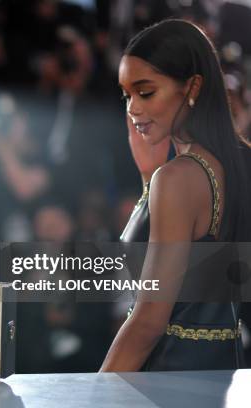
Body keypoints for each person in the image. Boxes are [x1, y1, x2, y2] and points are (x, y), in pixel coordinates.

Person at [101, 19, 251, 372]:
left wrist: (96, 394)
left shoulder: (179, 179)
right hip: (220, 374)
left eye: (146, 92)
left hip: (168, 378)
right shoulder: (234, 163)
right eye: (127, 96)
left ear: (192, 87)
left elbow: (148, 322)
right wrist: (148, 176)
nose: (133, 108)